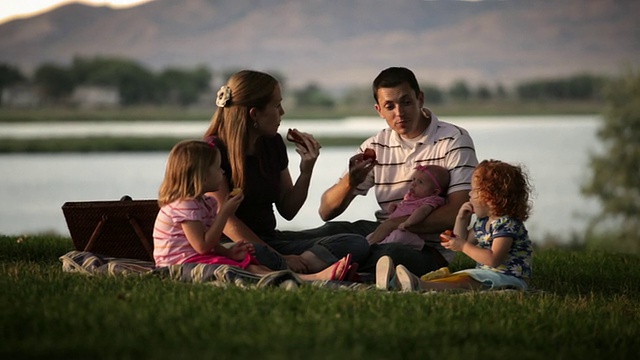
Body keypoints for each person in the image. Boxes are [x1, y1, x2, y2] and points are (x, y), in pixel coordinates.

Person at [202, 70, 370, 276]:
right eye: (276, 105)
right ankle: (304, 270)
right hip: (233, 246)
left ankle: (300, 267)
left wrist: (306, 170)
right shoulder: (212, 150)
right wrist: (278, 257)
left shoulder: (272, 143)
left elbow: (288, 210)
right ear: (254, 113)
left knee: (352, 239)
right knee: (256, 254)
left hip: (271, 241)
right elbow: (227, 223)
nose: (281, 112)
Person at [318, 66, 479, 277]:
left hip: (427, 250)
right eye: (390, 106)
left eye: (406, 102)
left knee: (387, 253)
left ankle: (322, 266)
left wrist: (394, 223)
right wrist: (350, 182)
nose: (399, 113)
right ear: (379, 110)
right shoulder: (376, 146)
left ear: (420, 99)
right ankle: (280, 256)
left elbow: (456, 212)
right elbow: (325, 212)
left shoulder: (454, 140)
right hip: (383, 233)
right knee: (332, 232)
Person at [152, 139, 354, 282]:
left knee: (253, 264)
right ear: (200, 176)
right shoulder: (184, 205)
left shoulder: (204, 203)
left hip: (196, 258)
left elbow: (208, 246)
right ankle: (311, 278)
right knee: (241, 270)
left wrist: (229, 251)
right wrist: (225, 214)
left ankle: (308, 278)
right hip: (178, 266)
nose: (223, 172)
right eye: (217, 168)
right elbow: (202, 246)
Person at [376, 159, 534, 292]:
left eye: (474, 190)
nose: (469, 194)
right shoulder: (484, 223)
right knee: (454, 277)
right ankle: (397, 282)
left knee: (462, 281)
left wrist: (463, 246)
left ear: (492, 197)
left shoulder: (506, 225)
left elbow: (493, 259)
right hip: (487, 276)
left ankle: (418, 285)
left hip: (510, 280)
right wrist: (461, 219)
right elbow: (462, 240)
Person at [368, 164, 450, 251]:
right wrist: (395, 208)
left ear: (434, 192)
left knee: (399, 236)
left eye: (420, 182)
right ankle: (370, 244)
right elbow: (404, 209)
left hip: (414, 235)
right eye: (413, 180)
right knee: (373, 235)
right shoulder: (411, 197)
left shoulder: (431, 200)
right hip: (395, 228)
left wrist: (408, 223)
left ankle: (377, 248)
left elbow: (422, 212)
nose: (414, 184)